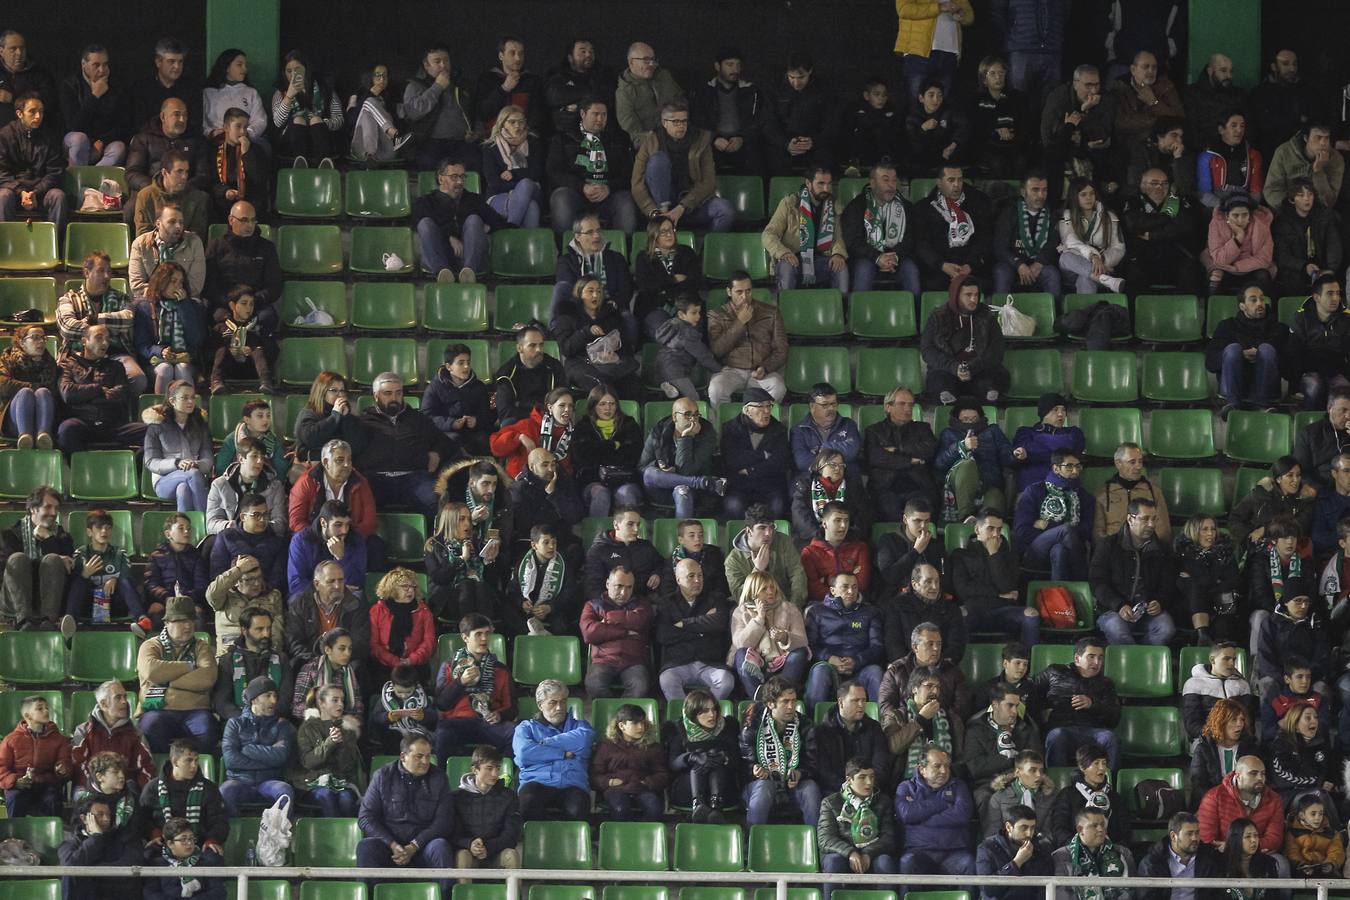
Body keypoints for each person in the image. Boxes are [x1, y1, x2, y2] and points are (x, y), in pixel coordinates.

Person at [357, 735, 456, 882]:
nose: (425, 762)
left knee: (440, 847)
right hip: (389, 847)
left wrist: (414, 846)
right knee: (366, 847)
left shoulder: (439, 778)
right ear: (403, 756)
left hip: (423, 846)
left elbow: (444, 821)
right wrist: (392, 844)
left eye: (428, 756)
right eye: (419, 757)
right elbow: (366, 817)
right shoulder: (383, 776)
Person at [357, 372, 453, 518]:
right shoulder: (364, 422)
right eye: (387, 393)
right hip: (376, 479)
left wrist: (437, 453)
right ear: (376, 396)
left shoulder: (418, 419)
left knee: (435, 498)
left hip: (413, 478)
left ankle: (434, 540)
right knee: (356, 500)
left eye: (398, 393)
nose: (394, 398)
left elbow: (445, 442)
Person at [632, 101, 733, 232]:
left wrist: (682, 207)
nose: (681, 126)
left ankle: (705, 249)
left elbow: (708, 182)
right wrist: (654, 212)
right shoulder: (651, 140)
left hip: (692, 202)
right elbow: (637, 183)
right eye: (675, 122)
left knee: (725, 211)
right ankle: (663, 220)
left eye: (684, 121)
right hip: (660, 205)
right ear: (664, 123)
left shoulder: (700, 139)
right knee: (658, 160)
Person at [136, 596, 218, 752]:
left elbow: (207, 677)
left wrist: (168, 681)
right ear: (167, 623)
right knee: (150, 727)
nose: (187, 626)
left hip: (195, 710)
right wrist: (189, 666)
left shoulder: (201, 647)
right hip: (158, 709)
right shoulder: (151, 645)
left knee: (208, 730)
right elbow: (151, 671)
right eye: (181, 621)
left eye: (191, 620)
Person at [1091, 498, 1177, 646]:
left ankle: (1140, 658)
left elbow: (1168, 584)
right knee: (1117, 630)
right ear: (1130, 519)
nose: (1151, 524)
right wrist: (1119, 605)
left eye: (1154, 519)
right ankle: (1135, 663)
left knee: (1166, 629)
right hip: (1113, 610)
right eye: (1145, 519)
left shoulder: (1162, 550)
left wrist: (1159, 601)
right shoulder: (1108, 545)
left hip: (1147, 612)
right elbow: (1097, 582)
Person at [58, 251, 146, 395]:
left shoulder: (121, 298)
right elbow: (67, 327)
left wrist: (93, 320)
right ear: (87, 273)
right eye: (101, 271)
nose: (107, 276)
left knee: (138, 379)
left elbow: (128, 319)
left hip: (115, 355)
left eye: (109, 271)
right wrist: (104, 330)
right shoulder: (69, 299)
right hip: (79, 356)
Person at [547, 97, 638, 235]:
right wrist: (582, 186)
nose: (600, 119)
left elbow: (628, 174)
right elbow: (553, 172)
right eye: (595, 114)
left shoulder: (619, 138)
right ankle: (565, 252)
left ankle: (622, 252)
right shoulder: (563, 138)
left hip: (608, 194)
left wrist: (608, 187)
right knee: (561, 198)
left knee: (625, 201)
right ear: (583, 114)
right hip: (576, 193)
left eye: (604, 114)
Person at [414, 158, 511, 285]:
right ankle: (443, 273)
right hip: (439, 256)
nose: (460, 181)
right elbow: (416, 221)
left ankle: (468, 272)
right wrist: (449, 236)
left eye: (462, 176)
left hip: (471, 257)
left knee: (474, 219)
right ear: (441, 178)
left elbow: (500, 223)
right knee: (425, 223)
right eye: (454, 177)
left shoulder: (474, 200)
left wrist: (487, 227)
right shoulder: (426, 202)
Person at [433, 612, 516, 759]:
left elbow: (512, 708)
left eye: (487, 633)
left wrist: (499, 715)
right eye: (478, 634)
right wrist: (460, 683)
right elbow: (441, 704)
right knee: (442, 732)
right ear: (465, 637)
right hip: (457, 722)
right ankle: (443, 778)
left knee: (515, 732)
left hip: (488, 722)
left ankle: (503, 775)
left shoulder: (500, 669)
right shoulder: (448, 666)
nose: (484, 639)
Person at [740, 675, 821, 824]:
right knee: (765, 786)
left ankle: (817, 844)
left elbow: (814, 763)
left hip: (792, 788)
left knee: (810, 788)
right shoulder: (752, 727)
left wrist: (800, 773)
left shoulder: (805, 725)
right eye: (785, 702)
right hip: (758, 787)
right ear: (770, 704)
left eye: (793, 701)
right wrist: (754, 770)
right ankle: (750, 843)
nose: (791, 707)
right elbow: (742, 766)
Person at [1030, 636, 1121, 769]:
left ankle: (1109, 785)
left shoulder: (1105, 683)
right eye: (1091, 657)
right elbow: (1029, 691)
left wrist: (1092, 704)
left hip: (1092, 731)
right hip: (1060, 728)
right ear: (1077, 658)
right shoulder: (1055, 671)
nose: (1097, 662)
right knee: (1057, 736)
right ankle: (1057, 784)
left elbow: (1114, 718)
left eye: (1100, 658)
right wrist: (1042, 712)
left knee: (1110, 738)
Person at [954, 509, 1038, 647]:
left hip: (1005, 610)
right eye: (990, 529)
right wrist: (998, 594)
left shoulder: (1010, 556)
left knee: (1031, 616)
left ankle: (1025, 663)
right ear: (977, 529)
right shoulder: (961, 555)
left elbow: (1007, 587)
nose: (995, 535)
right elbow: (963, 590)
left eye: (999, 530)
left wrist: (994, 554)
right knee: (958, 615)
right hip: (975, 610)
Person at [513, 679, 595, 820]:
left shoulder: (581, 727)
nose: (559, 707)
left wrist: (542, 745)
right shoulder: (525, 727)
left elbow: (584, 740)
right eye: (553, 702)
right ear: (540, 705)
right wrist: (562, 753)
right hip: (536, 781)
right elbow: (524, 753)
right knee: (527, 803)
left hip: (572, 783)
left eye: (563, 701)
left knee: (578, 809)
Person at [818, 757, 897, 899]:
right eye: (862, 777)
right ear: (849, 780)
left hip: (872, 854)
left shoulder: (883, 802)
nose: (869, 782)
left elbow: (889, 838)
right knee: (832, 861)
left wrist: (867, 854)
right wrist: (850, 853)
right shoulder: (830, 802)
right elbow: (825, 839)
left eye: (872, 777)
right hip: (842, 855)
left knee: (885, 862)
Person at [1205, 286, 1290, 417]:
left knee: (1266, 350)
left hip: (1267, 388)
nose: (1260, 303)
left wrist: (1263, 355)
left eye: (1262, 299)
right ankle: (1232, 405)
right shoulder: (1227, 326)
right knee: (1233, 349)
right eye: (1253, 300)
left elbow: (1289, 364)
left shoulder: (1279, 329)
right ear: (1242, 306)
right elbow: (1210, 362)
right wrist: (1241, 355)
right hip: (1233, 387)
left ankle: (1265, 405)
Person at [655, 557, 733, 700]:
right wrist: (702, 630)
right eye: (691, 576)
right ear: (678, 580)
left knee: (726, 681)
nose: (697, 580)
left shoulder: (715, 599)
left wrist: (683, 625)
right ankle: (684, 717)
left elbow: (720, 623)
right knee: (667, 680)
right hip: (679, 662)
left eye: (700, 575)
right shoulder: (667, 603)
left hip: (710, 663)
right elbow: (664, 635)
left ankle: (705, 711)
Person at [551, 275, 641, 398]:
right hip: (580, 363)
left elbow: (626, 347)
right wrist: (585, 332)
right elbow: (566, 349)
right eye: (590, 291)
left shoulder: (611, 315)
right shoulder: (568, 315)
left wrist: (615, 355)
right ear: (579, 293)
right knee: (601, 385)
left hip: (609, 364)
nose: (595, 295)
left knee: (633, 385)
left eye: (599, 291)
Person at [218, 675, 295, 816]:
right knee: (225, 791)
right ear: (254, 699)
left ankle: (280, 836)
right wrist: (269, 759)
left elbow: (281, 756)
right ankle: (234, 835)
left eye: (275, 696)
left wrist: (248, 750)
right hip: (240, 781)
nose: (274, 700)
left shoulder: (281, 725)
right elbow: (231, 760)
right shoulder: (235, 724)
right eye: (268, 695)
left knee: (285, 791)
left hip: (269, 781)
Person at [923, 276, 1009, 404]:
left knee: (993, 377)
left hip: (979, 369)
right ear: (956, 295)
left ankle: (989, 393)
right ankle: (946, 395)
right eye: (968, 295)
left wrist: (972, 367)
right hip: (948, 370)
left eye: (976, 295)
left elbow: (996, 350)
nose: (973, 299)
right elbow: (927, 350)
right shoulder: (937, 317)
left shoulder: (987, 316)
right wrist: (953, 367)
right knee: (938, 379)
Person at [804, 570, 883, 708]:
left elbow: (877, 647)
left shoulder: (870, 612)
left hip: (859, 668)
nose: (851, 591)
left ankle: (882, 723)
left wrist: (857, 661)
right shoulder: (816, 612)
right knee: (819, 671)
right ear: (833, 590)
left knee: (875, 672)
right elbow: (810, 645)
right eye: (845, 587)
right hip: (828, 666)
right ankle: (812, 724)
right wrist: (829, 658)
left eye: (854, 587)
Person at [763, 165, 848, 293]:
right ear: (808, 183)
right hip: (793, 258)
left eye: (829, 184)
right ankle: (784, 310)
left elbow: (839, 236)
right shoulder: (790, 203)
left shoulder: (834, 205)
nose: (826, 188)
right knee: (787, 268)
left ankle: (842, 309)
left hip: (821, 260)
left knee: (841, 268)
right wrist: (783, 253)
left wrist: (838, 254)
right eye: (821, 184)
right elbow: (768, 234)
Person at [61, 508, 145, 634]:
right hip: (88, 605)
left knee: (124, 581)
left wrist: (115, 580)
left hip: (113, 604)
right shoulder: (81, 554)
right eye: (99, 527)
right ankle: (70, 621)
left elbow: (128, 580)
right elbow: (71, 585)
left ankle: (142, 620)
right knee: (79, 582)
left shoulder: (120, 554)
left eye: (108, 528)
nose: (104, 531)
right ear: (90, 532)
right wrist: (84, 574)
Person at [1014, 449, 1095, 582]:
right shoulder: (1035, 491)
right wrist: (1059, 532)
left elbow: (1086, 531)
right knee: (1067, 529)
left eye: (1078, 466)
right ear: (1056, 468)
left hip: (1069, 550)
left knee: (1059, 550)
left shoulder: (1084, 497)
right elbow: (1021, 531)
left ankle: (1059, 599)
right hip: (1035, 549)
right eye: (1069, 466)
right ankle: (1084, 583)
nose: (1075, 471)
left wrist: (1046, 526)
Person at [0, 485, 73, 631]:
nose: (53, 513)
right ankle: (24, 621)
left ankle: (48, 622)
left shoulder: (62, 537)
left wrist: (48, 539)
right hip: (15, 601)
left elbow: (68, 570)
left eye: (56, 508)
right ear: (33, 509)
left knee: (52, 559)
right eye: (48, 507)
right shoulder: (9, 535)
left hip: (49, 602)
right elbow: (5, 572)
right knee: (17, 559)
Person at [895, 744, 975, 877]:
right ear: (922, 769)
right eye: (937, 766)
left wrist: (920, 818)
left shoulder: (959, 786)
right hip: (919, 852)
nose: (944, 771)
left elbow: (962, 815)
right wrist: (943, 804)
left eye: (947, 766)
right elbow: (906, 814)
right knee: (907, 862)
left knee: (969, 863)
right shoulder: (906, 787)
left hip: (954, 852)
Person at [1121, 165, 1203, 293]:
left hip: (1174, 254)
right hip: (1144, 255)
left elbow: (1184, 226)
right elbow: (1134, 224)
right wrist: (1166, 217)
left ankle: (1186, 312)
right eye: (1154, 183)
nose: (1159, 187)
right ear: (1142, 185)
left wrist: (1153, 235)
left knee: (1190, 271)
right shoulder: (1134, 200)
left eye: (1164, 184)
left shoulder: (1177, 201)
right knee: (1133, 274)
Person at [1041, 66, 1117, 205]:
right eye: (1088, 85)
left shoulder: (1105, 100)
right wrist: (1082, 146)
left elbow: (1102, 137)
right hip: (1063, 151)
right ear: (1075, 83)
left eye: (1097, 85)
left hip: (1092, 151)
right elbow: (1048, 141)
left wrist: (1086, 112)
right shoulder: (1058, 99)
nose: (1093, 91)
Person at [638, 397, 724, 518]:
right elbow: (641, 467)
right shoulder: (659, 432)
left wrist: (686, 438)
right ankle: (701, 482)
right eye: (687, 415)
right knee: (649, 473)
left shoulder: (707, 434)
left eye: (696, 414)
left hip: (693, 491)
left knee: (682, 491)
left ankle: (683, 534)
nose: (693, 419)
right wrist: (659, 467)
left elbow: (686, 470)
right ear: (674, 417)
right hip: (661, 490)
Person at [139, 739, 228, 854]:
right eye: (189, 760)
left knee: (213, 859)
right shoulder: (152, 788)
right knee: (147, 857)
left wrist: (212, 840)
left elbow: (219, 820)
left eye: (196, 761)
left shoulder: (209, 788)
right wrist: (153, 834)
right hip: (163, 844)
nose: (194, 766)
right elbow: (142, 818)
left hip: (199, 846)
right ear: (175, 762)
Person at [915, 166, 994, 292]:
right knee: (931, 283)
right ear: (939, 183)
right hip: (939, 267)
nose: (957, 185)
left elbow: (984, 239)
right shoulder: (924, 208)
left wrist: (969, 265)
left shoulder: (979, 204)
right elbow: (921, 244)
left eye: (960, 180)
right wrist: (942, 265)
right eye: (951, 180)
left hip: (971, 266)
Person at [203, 201, 282, 327]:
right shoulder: (216, 246)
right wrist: (231, 302)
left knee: (268, 318)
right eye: (244, 220)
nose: (249, 225)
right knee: (217, 319)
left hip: (256, 305)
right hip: (225, 304)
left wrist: (251, 301)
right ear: (231, 220)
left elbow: (274, 285)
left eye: (253, 220)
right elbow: (209, 284)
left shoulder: (267, 248)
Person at [729, 571, 808, 697]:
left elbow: (803, 641)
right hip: (756, 665)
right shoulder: (740, 612)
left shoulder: (789, 608)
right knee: (741, 654)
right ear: (753, 592)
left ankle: (781, 697)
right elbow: (741, 643)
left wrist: (785, 637)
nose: (770, 592)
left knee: (800, 653)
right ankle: (759, 700)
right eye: (764, 589)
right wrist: (759, 619)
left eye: (772, 587)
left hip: (783, 663)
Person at [292, 682, 365, 817]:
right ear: (321, 703)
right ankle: (330, 836)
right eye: (335, 700)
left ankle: (349, 837)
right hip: (311, 783)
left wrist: (343, 744)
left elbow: (347, 767)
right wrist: (330, 743)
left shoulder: (347, 729)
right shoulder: (308, 727)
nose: (341, 705)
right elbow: (308, 762)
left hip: (339, 782)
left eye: (342, 700)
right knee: (326, 795)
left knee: (347, 799)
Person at [864, 388, 938, 521]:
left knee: (921, 513)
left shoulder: (923, 428)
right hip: (885, 487)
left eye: (910, 404)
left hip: (918, 485)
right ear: (888, 407)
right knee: (890, 513)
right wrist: (911, 461)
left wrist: (896, 451)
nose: (908, 408)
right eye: (902, 404)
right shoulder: (874, 431)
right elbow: (875, 457)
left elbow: (929, 450)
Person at [879, 623, 975, 726]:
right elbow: (885, 706)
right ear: (915, 647)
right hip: (906, 729)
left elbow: (964, 706)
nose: (936, 648)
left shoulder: (953, 671)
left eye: (939, 644)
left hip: (943, 727)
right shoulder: (896, 671)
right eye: (930, 644)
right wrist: (912, 722)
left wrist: (940, 719)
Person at [664, 689, 739, 821]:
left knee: (714, 756)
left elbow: (737, 760)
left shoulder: (727, 727)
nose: (712, 715)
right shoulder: (679, 729)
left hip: (724, 785)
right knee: (699, 759)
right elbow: (673, 763)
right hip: (687, 786)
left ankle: (716, 805)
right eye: (704, 711)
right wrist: (691, 757)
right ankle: (698, 804)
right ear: (693, 714)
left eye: (713, 709)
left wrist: (724, 758)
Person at [581, 565, 655, 698]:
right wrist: (625, 632)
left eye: (629, 587)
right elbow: (589, 633)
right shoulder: (593, 605)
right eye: (619, 586)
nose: (623, 592)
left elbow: (640, 621)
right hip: (603, 660)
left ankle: (625, 716)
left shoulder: (642, 604)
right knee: (594, 684)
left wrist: (607, 621)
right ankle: (610, 715)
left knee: (640, 686)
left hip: (634, 661)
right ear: (608, 584)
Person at [133, 261, 206, 394]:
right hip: (156, 361)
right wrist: (160, 351)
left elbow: (196, 339)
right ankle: (161, 411)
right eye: (173, 281)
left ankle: (188, 410)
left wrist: (184, 306)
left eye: (181, 282)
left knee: (182, 368)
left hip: (186, 359)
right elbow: (142, 345)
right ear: (162, 282)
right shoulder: (145, 307)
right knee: (165, 369)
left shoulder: (193, 306)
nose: (178, 286)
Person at [762, 52, 839, 175]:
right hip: (784, 144)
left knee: (827, 158)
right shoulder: (775, 89)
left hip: (815, 144)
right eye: (791, 77)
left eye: (801, 77)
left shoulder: (824, 90)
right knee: (770, 157)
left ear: (810, 71)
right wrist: (786, 143)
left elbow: (832, 124)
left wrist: (813, 141)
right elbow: (769, 123)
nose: (796, 83)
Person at [403, 45, 477, 171]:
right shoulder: (415, 85)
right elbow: (413, 112)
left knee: (476, 160)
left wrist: (475, 131)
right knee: (428, 162)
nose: (443, 65)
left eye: (446, 60)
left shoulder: (461, 83)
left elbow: (474, 110)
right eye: (437, 62)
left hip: (460, 141)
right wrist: (437, 87)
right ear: (426, 66)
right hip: (430, 142)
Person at [0, 92, 66, 233]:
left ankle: (57, 247)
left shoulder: (50, 136)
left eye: (41, 112)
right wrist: (20, 192)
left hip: (41, 192)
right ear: (19, 114)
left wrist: (36, 192)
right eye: (32, 111)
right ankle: (3, 248)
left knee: (57, 196)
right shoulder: (5, 136)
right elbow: (2, 172)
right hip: (14, 191)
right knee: (3, 196)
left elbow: (55, 172)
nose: (38, 116)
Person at [70, 680, 155, 790]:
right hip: (90, 789)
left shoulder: (136, 734)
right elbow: (78, 765)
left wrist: (133, 792)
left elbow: (147, 767)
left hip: (124, 790)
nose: (124, 702)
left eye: (125, 697)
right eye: (118, 698)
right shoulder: (83, 731)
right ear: (103, 704)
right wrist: (99, 788)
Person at [285, 559, 369, 669]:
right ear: (317, 584)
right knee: (296, 664)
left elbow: (360, 641)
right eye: (331, 581)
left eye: (341, 580)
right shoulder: (300, 605)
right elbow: (294, 642)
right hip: (311, 659)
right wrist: (318, 661)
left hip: (344, 660)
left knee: (358, 667)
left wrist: (337, 658)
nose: (337, 586)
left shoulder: (355, 605)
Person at [449, 744, 522, 870]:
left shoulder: (509, 796)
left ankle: (515, 890)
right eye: (489, 768)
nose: (495, 773)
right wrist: (469, 844)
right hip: (469, 852)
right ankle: (464, 890)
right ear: (475, 770)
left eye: (497, 768)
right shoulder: (456, 798)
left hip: (496, 852)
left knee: (512, 855)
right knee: (462, 856)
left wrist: (488, 847)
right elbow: (452, 833)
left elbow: (511, 834)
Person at [143, 380, 212, 514]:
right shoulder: (157, 425)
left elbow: (207, 456)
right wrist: (177, 463)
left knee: (183, 489)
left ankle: (186, 530)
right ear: (172, 400)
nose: (191, 401)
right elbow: (151, 462)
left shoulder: (200, 424)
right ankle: (207, 522)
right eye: (185, 398)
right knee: (192, 474)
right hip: (163, 481)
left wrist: (197, 464)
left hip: (193, 478)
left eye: (192, 397)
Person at [590, 702, 668, 821]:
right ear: (622, 726)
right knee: (620, 809)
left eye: (642, 722)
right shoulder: (606, 747)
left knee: (654, 808)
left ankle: (645, 837)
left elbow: (662, 774)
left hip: (643, 788)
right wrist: (609, 782)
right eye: (635, 723)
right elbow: (594, 774)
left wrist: (647, 782)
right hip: (615, 789)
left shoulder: (652, 747)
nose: (641, 727)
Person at [211, 605, 290, 721]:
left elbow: (285, 698)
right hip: (239, 724)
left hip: (274, 722)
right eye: (259, 629)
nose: (266, 634)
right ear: (244, 630)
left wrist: (268, 718)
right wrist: (246, 719)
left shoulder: (281, 659)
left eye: (268, 628)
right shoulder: (228, 660)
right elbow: (222, 702)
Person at [691, 46, 762, 174]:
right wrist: (714, 139)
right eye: (730, 65)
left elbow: (758, 120)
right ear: (717, 66)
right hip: (712, 143)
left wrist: (742, 138)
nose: (735, 69)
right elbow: (698, 121)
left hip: (743, 143)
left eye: (738, 65)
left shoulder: (751, 91)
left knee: (757, 156)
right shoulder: (704, 91)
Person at [58, 792, 143, 900]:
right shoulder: (70, 844)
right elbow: (70, 869)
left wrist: (89, 871)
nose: (106, 819)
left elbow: (131, 866)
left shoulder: (125, 838)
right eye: (100, 814)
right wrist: (96, 838)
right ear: (84, 818)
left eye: (108, 814)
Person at [721, 391, 791, 519]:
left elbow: (780, 462)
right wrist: (762, 455)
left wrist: (750, 469)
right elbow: (732, 460)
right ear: (747, 410)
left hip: (770, 484)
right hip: (740, 485)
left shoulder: (778, 430)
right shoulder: (731, 429)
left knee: (778, 508)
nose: (766, 411)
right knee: (733, 507)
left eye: (769, 406)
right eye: (760, 407)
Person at [1265, 698, 1341, 816]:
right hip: (1288, 795)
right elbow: (1284, 778)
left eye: (1316, 717)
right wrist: (1319, 782)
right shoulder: (1281, 744)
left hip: (1317, 790)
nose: (1314, 721)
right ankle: (1338, 832)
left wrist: (1330, 782)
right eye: (1308, 717)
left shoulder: (1321, 743)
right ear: (1295, 724)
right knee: (1319, 795)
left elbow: (1330, 770)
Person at [0, 693, 71, 816]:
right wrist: (15, 781)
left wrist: (62, 769)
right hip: (20, 784)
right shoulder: (11, 740)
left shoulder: (59, 739)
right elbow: (2, 767)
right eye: (40, 708)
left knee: (53, 798)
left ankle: (52, 832)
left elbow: (65, 761)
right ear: (27, 715)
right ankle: (15, 833)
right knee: (15, 797)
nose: (46, 711)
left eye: (47, 708)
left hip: (46, 784)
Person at [993, 172, 1062, 297]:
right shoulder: (1009, 212)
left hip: (1040, 264)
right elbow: (999, 247)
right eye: (1035, 190)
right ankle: (1000, 315)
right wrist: (1018, 264)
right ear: (1023, 192)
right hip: (1012, 264)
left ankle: (1057, 315)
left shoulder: (1052, 213)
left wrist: (1040, 262)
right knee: (1001, 272)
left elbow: (1054, 243)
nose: (1041, 195)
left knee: (1052, 274)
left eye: (1044, 190)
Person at [1287, 275, 1350, 413]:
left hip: (1336, 371)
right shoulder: (1301, 318)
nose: (1335, 298)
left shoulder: (1346, 319)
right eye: (1330, 293)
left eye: (1338, 293)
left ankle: (1337, 430)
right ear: (1316, 297)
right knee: (1314, 385)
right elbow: (1294, 353)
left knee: (1343, 388)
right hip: (1308, 371)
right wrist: (1294, 386)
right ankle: (1310, 422)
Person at [1197, 756, 1286, 853]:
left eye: (1263, 773)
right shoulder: (1214, 796)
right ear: (1238, 776)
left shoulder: (1274, 799)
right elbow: (1206, 838)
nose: (1260, 778)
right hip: (1222, 855)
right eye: (1253, 773)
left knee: (1281, 864)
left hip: (1257, 854)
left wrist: (1239, 847)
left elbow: (1274, 839)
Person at [59, 44, 129, 166]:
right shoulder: (69, 85)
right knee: (79, 139)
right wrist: (95, 96)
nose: (102, 70)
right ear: (84, 64)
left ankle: (95, 182)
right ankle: (78, 181)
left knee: (119, 148)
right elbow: (74, 125)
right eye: (96, 65)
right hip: (76, 141)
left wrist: (102, 141)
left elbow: (123, 123)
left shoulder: (117, 85)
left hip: (104, 141)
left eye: (105, 64)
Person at [725, 504, 807, 607]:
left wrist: (794, 606)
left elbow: (797, 575)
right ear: (748, 531)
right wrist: (758, 570)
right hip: (753, 609)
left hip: (784, 604)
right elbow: (740, 596)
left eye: (771, 527)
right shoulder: (733, 560)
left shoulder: (783, 542)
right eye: (762, 528)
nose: (768, 533)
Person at [270, 50, 342, 166]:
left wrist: (322, 123)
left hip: (321, 140)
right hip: (292, 142)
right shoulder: (280, 92)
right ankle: (299, 162)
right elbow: (278, 122)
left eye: (297, 70)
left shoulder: (325, 88)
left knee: (315, 120)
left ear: (306, 69)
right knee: (298, 119)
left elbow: (339, 119)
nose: (293, 74)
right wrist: (288, 96)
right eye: (289, 71)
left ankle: (324, 163)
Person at [1274, 177, 1342, 298]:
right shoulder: (1282, 221)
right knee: (1291, 278)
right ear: (1292, 199)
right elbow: (1282, 255)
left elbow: (1334, 246)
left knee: (1331, 280)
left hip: (1323, 265)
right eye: (1300, 195)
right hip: (1298, 268)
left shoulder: (1325, 216)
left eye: (1310, 194)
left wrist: (1331, 269)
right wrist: (1303, 266)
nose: (1307, 198)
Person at [1093, 442, 1174, 545]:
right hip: (1114, 550)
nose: (1138, 466)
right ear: (1118, 463)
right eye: (1132, 462)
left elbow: (1163, 531)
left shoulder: (1154, 492)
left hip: (1147, 549)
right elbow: (1098, 534)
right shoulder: (1103, 495)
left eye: (1140, 461)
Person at [895, 0, 974, 104]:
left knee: (944, 104)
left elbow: (969, 16)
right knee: (917, 102)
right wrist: (939, 7)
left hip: (949, 52)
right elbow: (904, 9)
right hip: (918, 52)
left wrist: (961, 15)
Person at [1057, 177, 1126, 294]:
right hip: (1073, 271)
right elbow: (1070, 242)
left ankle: (1101, 281)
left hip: (1102, 268)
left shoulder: (1109, 217)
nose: (1089, 198)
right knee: (1065, 257)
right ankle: (1103, 279)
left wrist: (1102, 260)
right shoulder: (1066, 216)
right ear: (1075, 197)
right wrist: (1093, 257)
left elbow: (1119, 248)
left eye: (1091, 194)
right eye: (1083, 195)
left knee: (1086, 278)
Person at [790, 449, 872, 547]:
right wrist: (821, 537)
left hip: (848, 541)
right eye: (832, 465)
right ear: (820, 466)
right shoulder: (805, 486)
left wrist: (847, 536)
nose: (838, 468)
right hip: (813, 540)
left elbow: (864, 514)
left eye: (841, 466)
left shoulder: (853, 486)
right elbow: (800, 517)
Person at [975, 803, 1056, 900]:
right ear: (1009, 827)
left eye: (1032, 828)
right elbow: (988, 889)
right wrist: (1016, 862)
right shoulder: (988, 848)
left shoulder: (1041, 847)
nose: (1029, 833)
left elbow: (1045, 889)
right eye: (1023, 828)